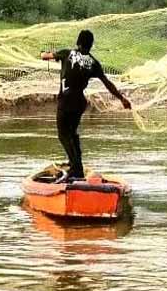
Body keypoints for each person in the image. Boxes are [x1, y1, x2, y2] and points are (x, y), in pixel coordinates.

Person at [41, 30, 131, 181]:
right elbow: (107, 83)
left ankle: (76, 168)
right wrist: (122, 99)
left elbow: (45, 57)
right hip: (79, 103)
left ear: (78, 42)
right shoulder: (93, 63)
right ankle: (76, 164)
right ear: (91, 45)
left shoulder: (67, 53)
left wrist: (44, 53)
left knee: (63, 135)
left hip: (66, 100)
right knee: (72, 133)